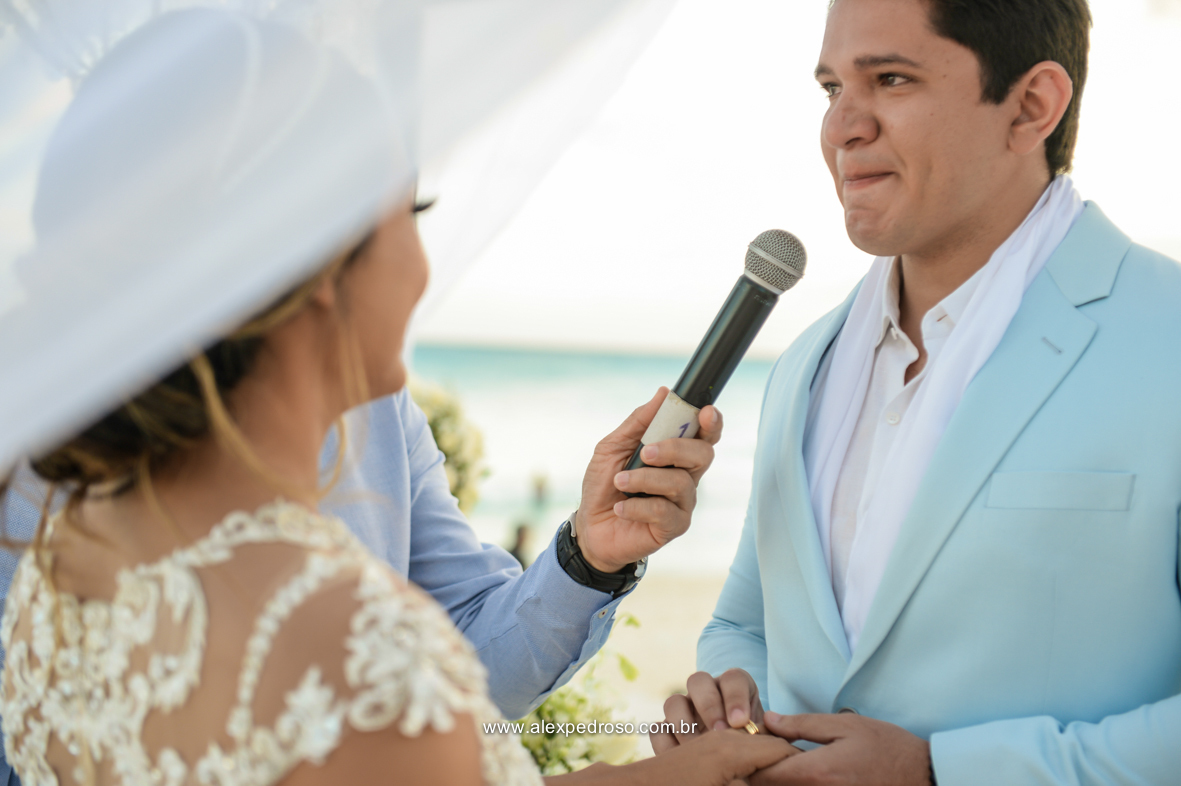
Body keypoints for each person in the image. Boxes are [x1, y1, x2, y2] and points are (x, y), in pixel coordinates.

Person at [0, 8, 798, 785]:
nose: (423, 262)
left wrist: (587, 559)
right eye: (412, 212)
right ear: (314, 268)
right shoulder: (350, 639)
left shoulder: (66, 561)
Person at [653, 0, 1181, 783]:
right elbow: (746, 621)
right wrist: (733, 706)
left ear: (1031, 105)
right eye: (831, 88)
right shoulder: (805, 360)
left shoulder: (1165, 335)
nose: (840, 129)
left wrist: (941, 772)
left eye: (890, 80)